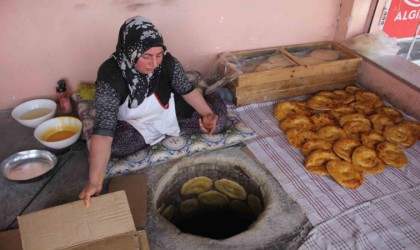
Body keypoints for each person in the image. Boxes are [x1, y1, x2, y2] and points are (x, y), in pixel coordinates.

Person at [79, 16, 228, 206]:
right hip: (136, 123)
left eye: (159, 55)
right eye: (146, 56)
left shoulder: (167, 63)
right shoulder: (110, 74)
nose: (154, 63)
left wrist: (207, 113)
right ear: (130, 51)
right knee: (116, 147)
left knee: (219, 122)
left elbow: (186, 91)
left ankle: (212, 97)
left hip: (169, 112)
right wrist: (95, 181)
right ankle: (164, 131)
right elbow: (104, 131)